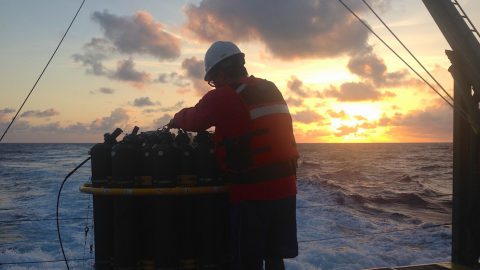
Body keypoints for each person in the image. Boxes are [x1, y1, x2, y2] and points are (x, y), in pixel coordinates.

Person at [168, 41, 299, 270]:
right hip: (286, 189)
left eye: (213, 79)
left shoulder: (224, 96)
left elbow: (195, 119)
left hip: (252, 193)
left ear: (221, 72)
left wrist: (175, 119)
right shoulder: (271, 88)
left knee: (248, 261)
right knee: (274, 255)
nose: (214, 85)